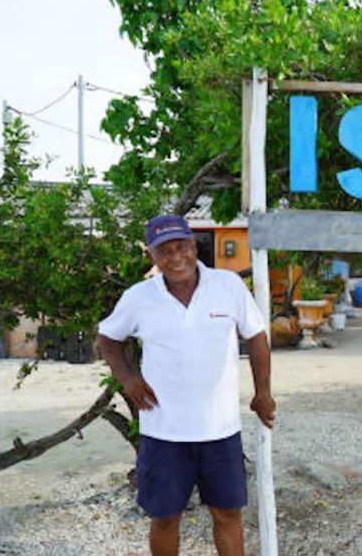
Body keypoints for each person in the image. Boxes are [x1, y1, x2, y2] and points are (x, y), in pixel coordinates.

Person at [97, 214, 275, 556]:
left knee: (227, 514)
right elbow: (108, 338)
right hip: (164, 433)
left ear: (195, 246)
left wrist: (262, 393)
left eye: (183, 247)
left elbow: (256, 337)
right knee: (165, 518)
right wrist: (129, 378)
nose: (176, 258)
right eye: (165, 251)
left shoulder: (228, 286)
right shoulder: (138, 298)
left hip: (220, 431)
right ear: (150, 255)